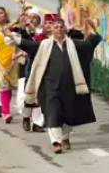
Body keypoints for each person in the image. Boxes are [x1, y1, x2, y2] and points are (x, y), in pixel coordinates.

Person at [13, 12, 101, 154]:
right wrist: (14, 37)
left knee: (68, 114)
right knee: (52, 113)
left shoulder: (74, 45)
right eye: (56, 27)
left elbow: (90, 44)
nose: (59, 29)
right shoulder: (44, 45)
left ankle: (65, 137)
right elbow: (29, 45)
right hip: (50, 88)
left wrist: (94, 30)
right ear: (52, 30)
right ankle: (56, 142)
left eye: (61, 27)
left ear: (65, 29)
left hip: (70, 88)